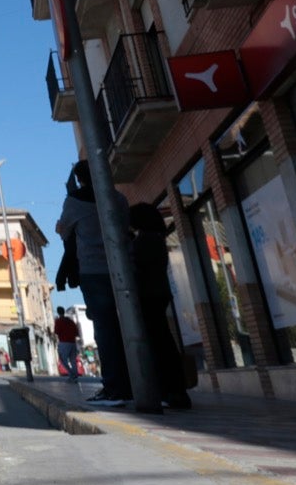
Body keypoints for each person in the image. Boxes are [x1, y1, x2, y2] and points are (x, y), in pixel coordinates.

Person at [55, 161, 132, 407]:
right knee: (129, 325)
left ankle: (114, 387)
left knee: (105, 328)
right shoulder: (117, 198)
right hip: (123, 267)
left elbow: (65, 231)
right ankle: (135, 381)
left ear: (79, 178)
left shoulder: (75, 201)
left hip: (93, 269)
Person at [129, 202, 193, 410]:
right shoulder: (156, 239)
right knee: (163, 341)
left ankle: (170, 391)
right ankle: (174, 391)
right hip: (159, 293)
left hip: (149, 295)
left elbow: (137, 269)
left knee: (159, 344)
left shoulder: (144, 242)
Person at [54, 307, 81, 380]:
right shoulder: (70, 321)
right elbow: (76, 332)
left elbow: (56, 331)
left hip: (64, 342)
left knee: (62, 360)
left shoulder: (58, 321)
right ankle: (75, 375)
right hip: (73, 342)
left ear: (58, 312)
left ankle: (71, 374)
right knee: (73, 360)